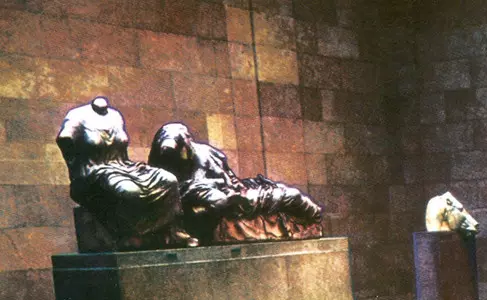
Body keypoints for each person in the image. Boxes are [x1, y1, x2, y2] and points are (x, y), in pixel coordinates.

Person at [56, 97, 198, 249]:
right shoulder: (77, 116)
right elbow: (64, 138)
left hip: (124, 166)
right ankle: (132, 235)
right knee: (129, 190)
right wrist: (76, 170)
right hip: (96, 170)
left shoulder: (115, 115)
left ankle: (173, 232)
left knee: (168, 180)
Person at [148, 122, 322, 241]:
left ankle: (312, 217)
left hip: (233, 192)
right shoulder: (163, 166)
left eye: (186, 144)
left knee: (289, 195)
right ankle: (311, 215)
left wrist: (232, 192)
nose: (187, 149)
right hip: (224, 197)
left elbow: (228, 181)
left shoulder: (203, 154)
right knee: (288, 195)